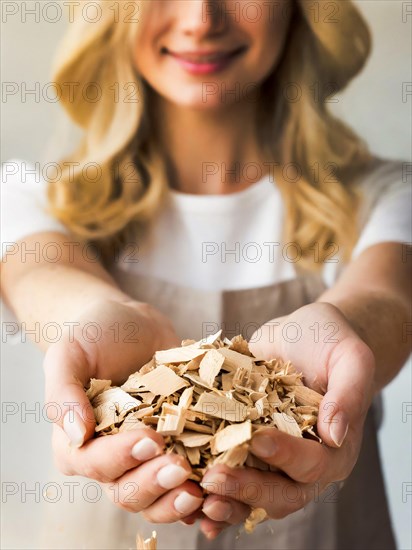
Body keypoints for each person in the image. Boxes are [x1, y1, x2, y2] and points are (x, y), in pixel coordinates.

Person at [1, 1, 410, 549]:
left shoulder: (389, 198)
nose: (201, 18)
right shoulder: (29, 198)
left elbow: (388, 297)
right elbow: (44, 274)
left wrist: (345, 330)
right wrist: (95, 321)